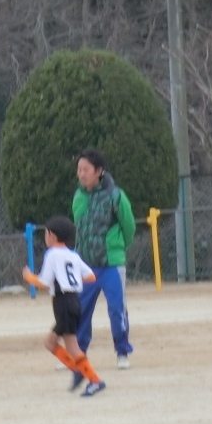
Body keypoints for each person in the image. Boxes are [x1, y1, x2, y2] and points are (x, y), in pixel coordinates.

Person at [22, 216, 106, 397]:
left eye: (46, 233)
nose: (45, 237)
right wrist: (72, 279)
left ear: (52, 235)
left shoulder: (52, 254)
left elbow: (44, 282)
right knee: (50, 343)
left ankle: (94, 380)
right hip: (74, 300)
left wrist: (29, 277)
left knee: (72, 347)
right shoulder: (72, 255)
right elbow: (91, 276)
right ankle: (79, 370)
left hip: (63, 302)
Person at [72, 148, 136, 369]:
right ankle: (79, 354)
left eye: (86, 169)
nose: (81, 174)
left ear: (99, 171)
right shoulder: (78, 196)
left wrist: (117, 247)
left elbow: (129, 226)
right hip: (86, 265)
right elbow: (79, 227)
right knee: (80, 310)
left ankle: (122, 351)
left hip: (111, 264)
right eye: (79, 169)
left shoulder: (116, 195)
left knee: (117, 308)